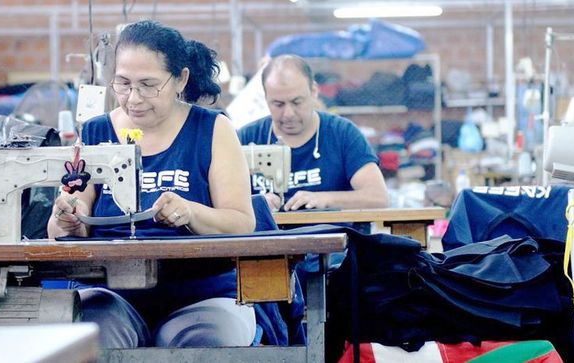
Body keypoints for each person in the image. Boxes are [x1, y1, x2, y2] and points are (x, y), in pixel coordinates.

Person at [47, 20, 256, 348]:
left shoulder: (213, 130)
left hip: (205, 294)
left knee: (206, 345)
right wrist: (68, 218)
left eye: (148, 84)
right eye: (123, 83)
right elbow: (67, 218)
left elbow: (243, 223)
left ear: (180, 80)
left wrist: (190, 213)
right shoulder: (95, 132)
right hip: (112, 294)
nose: (133, 98)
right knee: (87, 340)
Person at [238, 54, 388, 212]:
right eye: (278, 104)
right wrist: (254, 203)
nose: (288, 113)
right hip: (267, 236)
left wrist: (325, 199)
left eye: (297, 102)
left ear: (314, 91)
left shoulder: (342, 134)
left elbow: (377, 197)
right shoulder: (246, 138)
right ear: (266, 98)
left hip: (333, 234)